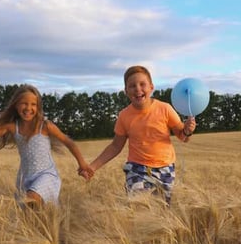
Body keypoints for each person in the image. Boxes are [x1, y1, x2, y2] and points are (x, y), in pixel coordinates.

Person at [80, 65, 196, 205]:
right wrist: (92, 167)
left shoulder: (165, 109)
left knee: (163, 210)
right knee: (138, 206)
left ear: (151, 87)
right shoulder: (124, 116)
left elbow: (183, 137)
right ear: (126, 91)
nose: (138, 89)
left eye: (142, 84)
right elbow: (115, 146)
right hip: (137, 168)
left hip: (165, 168)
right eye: (132, 86)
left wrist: (188, 130)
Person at [0, 84, 91, 206]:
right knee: (31, 216)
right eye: (24, 103)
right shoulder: (12, 127)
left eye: (33, 104)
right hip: (24, 177)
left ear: (38, 107)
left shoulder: (45, 126)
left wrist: (82, 164)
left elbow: (69, 143)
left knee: (32, 198)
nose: (28, 108)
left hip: (46, 175)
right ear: (16, 105)